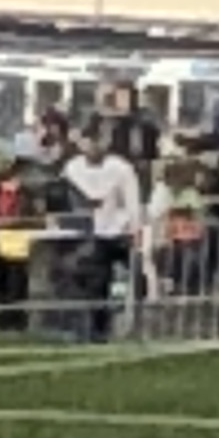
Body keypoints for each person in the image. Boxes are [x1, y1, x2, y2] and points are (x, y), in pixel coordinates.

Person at [63, 121, 145, 342]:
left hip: (118, 232)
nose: (92, 147)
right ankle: (90, 330)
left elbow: (131, 200)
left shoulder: (120, 168)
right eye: (87, 142)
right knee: (91, 283)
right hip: (89, 234)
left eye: (97, 141)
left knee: (125, 282)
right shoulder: (73, 168)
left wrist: (134, 226)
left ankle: (125, 326)